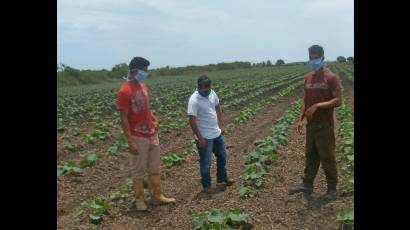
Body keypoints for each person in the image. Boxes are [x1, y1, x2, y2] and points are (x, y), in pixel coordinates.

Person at [117, 57, 175, 211]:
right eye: (145, 70)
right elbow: (123, 118)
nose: (146, 73)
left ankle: (157, 196)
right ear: (135, 71)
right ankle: (139, 200)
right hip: (137, 135)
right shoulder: (124, 91)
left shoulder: (143, 85)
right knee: (138, 169)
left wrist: (154, 119)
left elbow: (146, 108)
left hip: (151, 133)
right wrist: (130, 141)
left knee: (154, 167)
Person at [289, 45, 342, 201]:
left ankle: (332, 189)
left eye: (316, 57)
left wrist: (318, 106)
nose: (313, 60)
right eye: (311, 57)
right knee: (310, 155)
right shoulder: (309, 77)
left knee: (327, 157)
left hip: (325, 125)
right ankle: (307, 185)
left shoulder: (331, 77)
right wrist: (300, 119)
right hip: (311, 125)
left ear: (323, 58)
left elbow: (338, 101)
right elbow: (305, 100)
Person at [187, 75, 234, 194]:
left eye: (207, 87)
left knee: (222, 156)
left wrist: (222, 125)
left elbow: (218, 107)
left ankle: (222, 179)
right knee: (206, 163)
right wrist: (200, 138)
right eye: (203, 88)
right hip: (205, 137)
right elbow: (192, 120)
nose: (206, 90)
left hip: (216, 133)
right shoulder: (194, 100)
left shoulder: (212, 93)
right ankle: (207, 186)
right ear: (198, 87)